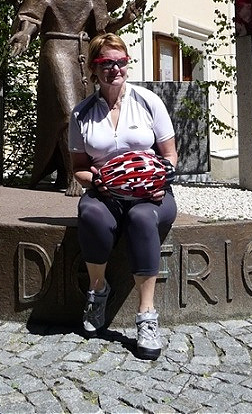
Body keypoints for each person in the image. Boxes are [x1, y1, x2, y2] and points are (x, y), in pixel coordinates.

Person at [8, 0, 142, 197]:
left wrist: (126, 19)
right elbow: (31, 13)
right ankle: (75, 175)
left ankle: (68, 170)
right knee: (69, 111)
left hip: (84, 51)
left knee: (87, 112)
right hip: (55, 46)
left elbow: (100, 28)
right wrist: (24, 33)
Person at [67, 33, 178, 361]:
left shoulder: (148, 101)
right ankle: (98, 289)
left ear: (127, 65)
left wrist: (161, 174)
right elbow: (78, 168)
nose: (114, 69)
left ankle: (146, 315)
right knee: (91, 215)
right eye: (105, 63)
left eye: (120, 62)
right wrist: (98, 178)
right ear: (93, 68)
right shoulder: (82, 113)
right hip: (105, 191)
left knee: (142, 218)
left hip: (150, 192)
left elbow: (170, 156)